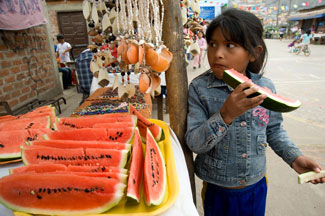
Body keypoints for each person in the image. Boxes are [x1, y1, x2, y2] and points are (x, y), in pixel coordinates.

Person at [185, 8, 324, 216]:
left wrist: (295, 158)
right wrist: (225, 115)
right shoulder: (199, 88)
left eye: (230, 45)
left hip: (257, 186)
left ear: (253, 53)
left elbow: (274, 131)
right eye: (213, 44)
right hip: (217, 189)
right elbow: (193, 143)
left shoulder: (265, 87)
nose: (218, 53)